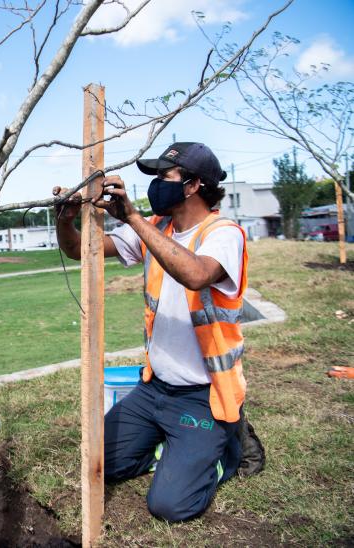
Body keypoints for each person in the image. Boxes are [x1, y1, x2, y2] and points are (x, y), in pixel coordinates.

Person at [55, 142, 264, 522]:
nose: (153, 185)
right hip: (154, 388)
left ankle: (225, 448)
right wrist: (65, 220)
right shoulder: (157, 228)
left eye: (163, 176)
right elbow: (81, 251)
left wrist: (132, 217)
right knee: (97, 460)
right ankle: (173, 448)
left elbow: (196, 273)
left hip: (203, 394)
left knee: (170, 506)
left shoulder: (223, 234)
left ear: (192, 185)